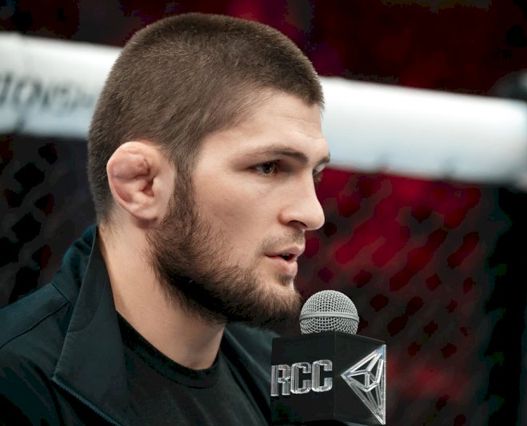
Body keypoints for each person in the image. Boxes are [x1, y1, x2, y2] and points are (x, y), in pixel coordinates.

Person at [0, 13, 329, 425]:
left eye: (315, 174)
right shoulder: (18, 382)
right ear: (142, 185)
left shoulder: (292, 382)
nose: (312, 213)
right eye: (268, 167)